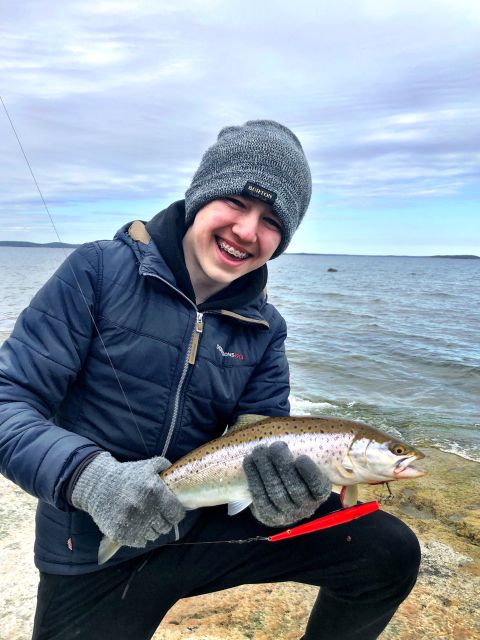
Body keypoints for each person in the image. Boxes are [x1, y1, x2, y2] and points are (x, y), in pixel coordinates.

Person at [0, 120, 420, 640]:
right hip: (91, 548)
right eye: (238, 203)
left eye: (271, 220)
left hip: (202, 529)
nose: (247, 230)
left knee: (386, 551)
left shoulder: (266, 328)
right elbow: (8, 402)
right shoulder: (97, 272)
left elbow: (262, 432)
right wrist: (92, 479)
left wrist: (285, 492)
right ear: (200, 196)